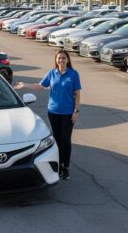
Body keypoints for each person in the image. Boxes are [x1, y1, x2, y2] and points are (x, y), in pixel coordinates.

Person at [14, 49, 81, 180]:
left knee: (66, 140)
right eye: (59, 58)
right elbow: (40, 86)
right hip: (53, 112)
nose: (61, 60)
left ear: (68, 60)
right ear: (56, 60)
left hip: (68, 113)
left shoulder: (73, 74)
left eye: (63, 58)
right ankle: (58, 165)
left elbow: (77, 94)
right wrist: (25, 85)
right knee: (57, 140)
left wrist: (76, 111)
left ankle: (65, 167)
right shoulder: (52, 73)